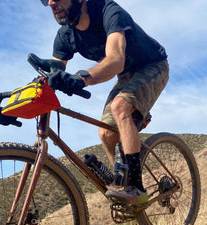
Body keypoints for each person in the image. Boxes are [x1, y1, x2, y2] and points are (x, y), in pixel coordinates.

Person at [40, 0, 169, 205]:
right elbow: (53, 73)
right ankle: (123, 186)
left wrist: (82, 78)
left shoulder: (108, 11)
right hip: (127, 75)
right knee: (105, 133)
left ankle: (136, 188)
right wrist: (11, 100)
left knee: (121, 107)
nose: (50, 2)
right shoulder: (65, 35)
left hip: (152, 65)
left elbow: (116, 60)